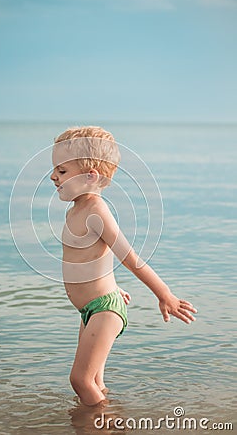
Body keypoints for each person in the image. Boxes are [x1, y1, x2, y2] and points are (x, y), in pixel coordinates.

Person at [50, 126, 197, 407]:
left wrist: (164, 294)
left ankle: (99, 424)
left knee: (80, 381)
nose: (53, 176)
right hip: (90, 309)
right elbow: (92, 256)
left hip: (105, 309)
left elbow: (130, 257)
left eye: (62, 170)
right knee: (95, 382)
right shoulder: (75, 209)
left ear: (90, 175)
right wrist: (112, 283)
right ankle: (105, 422)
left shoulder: (96, 211)